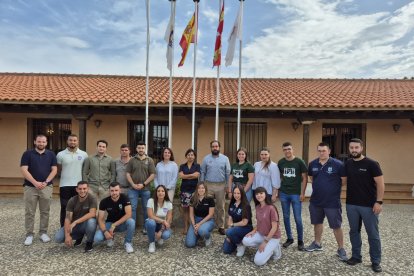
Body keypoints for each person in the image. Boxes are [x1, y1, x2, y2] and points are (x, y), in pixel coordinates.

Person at [345, 138, 385, 273]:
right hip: (351, 204)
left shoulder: (372, 164)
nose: (354, 150)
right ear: (349, 149)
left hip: (369, 205)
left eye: (356, 147)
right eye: (352, 148)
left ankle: (375, 261)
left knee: (373, 234)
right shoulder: (348, 163)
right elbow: (342, 181)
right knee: (354, 231)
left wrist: (379, 201)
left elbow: (380, 183)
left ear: (361, 148)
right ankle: (356, 256)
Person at [304, 142, 347, 262]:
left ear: (329, 151)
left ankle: (341, 248)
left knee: (336, 225)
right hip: (316, 200)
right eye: (319, 150)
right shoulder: (312, 164)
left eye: (324, 150)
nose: (321, 153)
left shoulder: (338, 164)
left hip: (332, 201)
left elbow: (343, 181)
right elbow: (312, 179)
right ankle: (317, 243)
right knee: (317, 222)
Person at [20, 134, 57, 246]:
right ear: (35, 142)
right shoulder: (27, 154)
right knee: (30, 212)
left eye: (43, 142)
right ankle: (29, 234)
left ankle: (43, 233)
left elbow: (54, 170)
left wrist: (45, 182)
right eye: (39, 141)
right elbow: (24, 170)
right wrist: (35, 183)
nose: (41, 144)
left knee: (45, 211)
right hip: (30, 187)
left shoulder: (51, 154)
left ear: (46, 143)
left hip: (46, 187)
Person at [277, 142, 308, 250]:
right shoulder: (281, 162)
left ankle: (300, 240)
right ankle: (289, 238)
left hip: (296, 194)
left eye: (289, 149)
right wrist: (278, 190)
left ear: (292, 149)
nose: (287, 151)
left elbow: (305, 178)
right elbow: (280, 177)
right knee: (285, 217)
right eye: (285, 149)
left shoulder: (299, 162)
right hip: (284, 193)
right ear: (283, 150)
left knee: (298, 218)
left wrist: (303, 193)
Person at [241, 187, 282, 266]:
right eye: (257, 194)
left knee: (258, 262)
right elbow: (259, 223)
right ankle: (268, 248)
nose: (259, 195)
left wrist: (265, 242)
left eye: (261, 193)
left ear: (265, 194)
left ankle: (274, 248)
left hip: (273, 237)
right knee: (245, 240)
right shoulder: (257, 207)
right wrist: (253, 231)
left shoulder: (271, 208)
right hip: (262, 234)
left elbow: (275, 227)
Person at [54, 181, 97, 252]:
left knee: (92, 221)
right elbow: (68, 218)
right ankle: (80, 236)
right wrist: (67, 235)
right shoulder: (72, 200)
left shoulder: (92, 198)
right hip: (75, 226)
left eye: (84, 188)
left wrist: (76, 222)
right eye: (80, 189)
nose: (82, 191)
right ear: (76, 189)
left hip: (85, 224)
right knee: (58, 238)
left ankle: (89, 242)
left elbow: (92, 213)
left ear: (88, 189)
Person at [94, 182, 135, 253]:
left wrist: (114, 225)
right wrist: (105, 231)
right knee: (97, 238)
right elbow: (100, 219)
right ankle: (110, 238)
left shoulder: (125, 198)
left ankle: (127, 243)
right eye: (112, 190)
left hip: (122, 224)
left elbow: (129, 214)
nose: (114, 192)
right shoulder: (104, 201)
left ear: (120, 190)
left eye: (116, 190)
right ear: (109, 191)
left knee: (131, 222)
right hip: (110, 223)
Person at [56, 134, 88, 227]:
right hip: (64, 185)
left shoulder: (84, 154)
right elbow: (59, 169)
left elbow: (85, 169)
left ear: (77, 142)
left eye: (74, 140)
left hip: (79, 186)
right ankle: (63, 227)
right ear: (67, 141)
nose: (72, 142)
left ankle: (76, 227)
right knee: (64, 207)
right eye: (70, 140)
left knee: (78, 208)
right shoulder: (60, 154)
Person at [200, 140, 230, 235]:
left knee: (220, 206)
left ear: (219, 147)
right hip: (208, 185)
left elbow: (227, 173)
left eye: (216, 146)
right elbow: (203, 172)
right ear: (211, 148)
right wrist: (201, 185)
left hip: (221, 185)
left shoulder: (225, 159)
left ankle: (220, 226)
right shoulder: (206, 159)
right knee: (207, 205)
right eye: (213, 146)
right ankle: (207, 224)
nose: (215, 148)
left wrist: (228, 186)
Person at [126, 142, 155, 234]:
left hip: (145, 189)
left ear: (145, 149)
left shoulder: (149, 160)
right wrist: (133, 184)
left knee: (146, 208)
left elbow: (152, 174)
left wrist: (143, 184)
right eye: (139, 148)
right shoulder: (132, 160)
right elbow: (127, 174)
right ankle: (132, 228)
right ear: (136, 149)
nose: (141, 149)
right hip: (132, 188)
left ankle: (146, 227)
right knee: (133, 208)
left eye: (142, 148)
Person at [223, 185, 253, 256]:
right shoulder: (232, 204)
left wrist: (232, 227)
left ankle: (240, 244)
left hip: (246, 228)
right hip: (235, 229)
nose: (236, 195)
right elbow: (229, 220)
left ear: (242, 193)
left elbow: (244, 222)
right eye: (235, 193)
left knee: (229, 232)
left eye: (238, 193)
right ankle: (235, 239)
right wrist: (228, 235)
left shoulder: (246, 205)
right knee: (226, 250)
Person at [185, 183, 215, 248]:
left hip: (208, 220)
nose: (201, 190)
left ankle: (207, 237)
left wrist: (199, 224)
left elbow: (210, 214)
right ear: (197, 189)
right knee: (189, 244)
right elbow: (191, 214)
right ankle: (199, 235)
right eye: (199, 188)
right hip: (196, 220)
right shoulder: (193, 198)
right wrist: (194, 226)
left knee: (202, 230)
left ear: (205, 189)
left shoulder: (210, 199)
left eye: (203, 188)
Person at [145, 185, 173, 253]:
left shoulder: (168, 203)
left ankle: (158, 237)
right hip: (152, 223)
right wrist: (163, 220)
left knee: (166, 235)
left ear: (165, 193)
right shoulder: (151, 201)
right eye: (158, 191)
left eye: (162, 191)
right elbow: (150, 216)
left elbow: (169, 218)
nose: (160, 193)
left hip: (162, 225)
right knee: (150, 222)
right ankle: (152, 243)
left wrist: (161, 231)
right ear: (156, 192)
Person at [179, 149, 200, 234]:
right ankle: (186, 227)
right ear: (186, 156)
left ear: (194, 157)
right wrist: (191, 175)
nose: (190, 156)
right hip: (184, 190)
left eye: (192, 155)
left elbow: (197, 175)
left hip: (194, 191)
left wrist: (186, 176)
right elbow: (181, 176)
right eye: (188, 155)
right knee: (185, 210)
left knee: (194, 209)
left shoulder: (197, 166)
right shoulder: (182, 166)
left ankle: (193, 227)